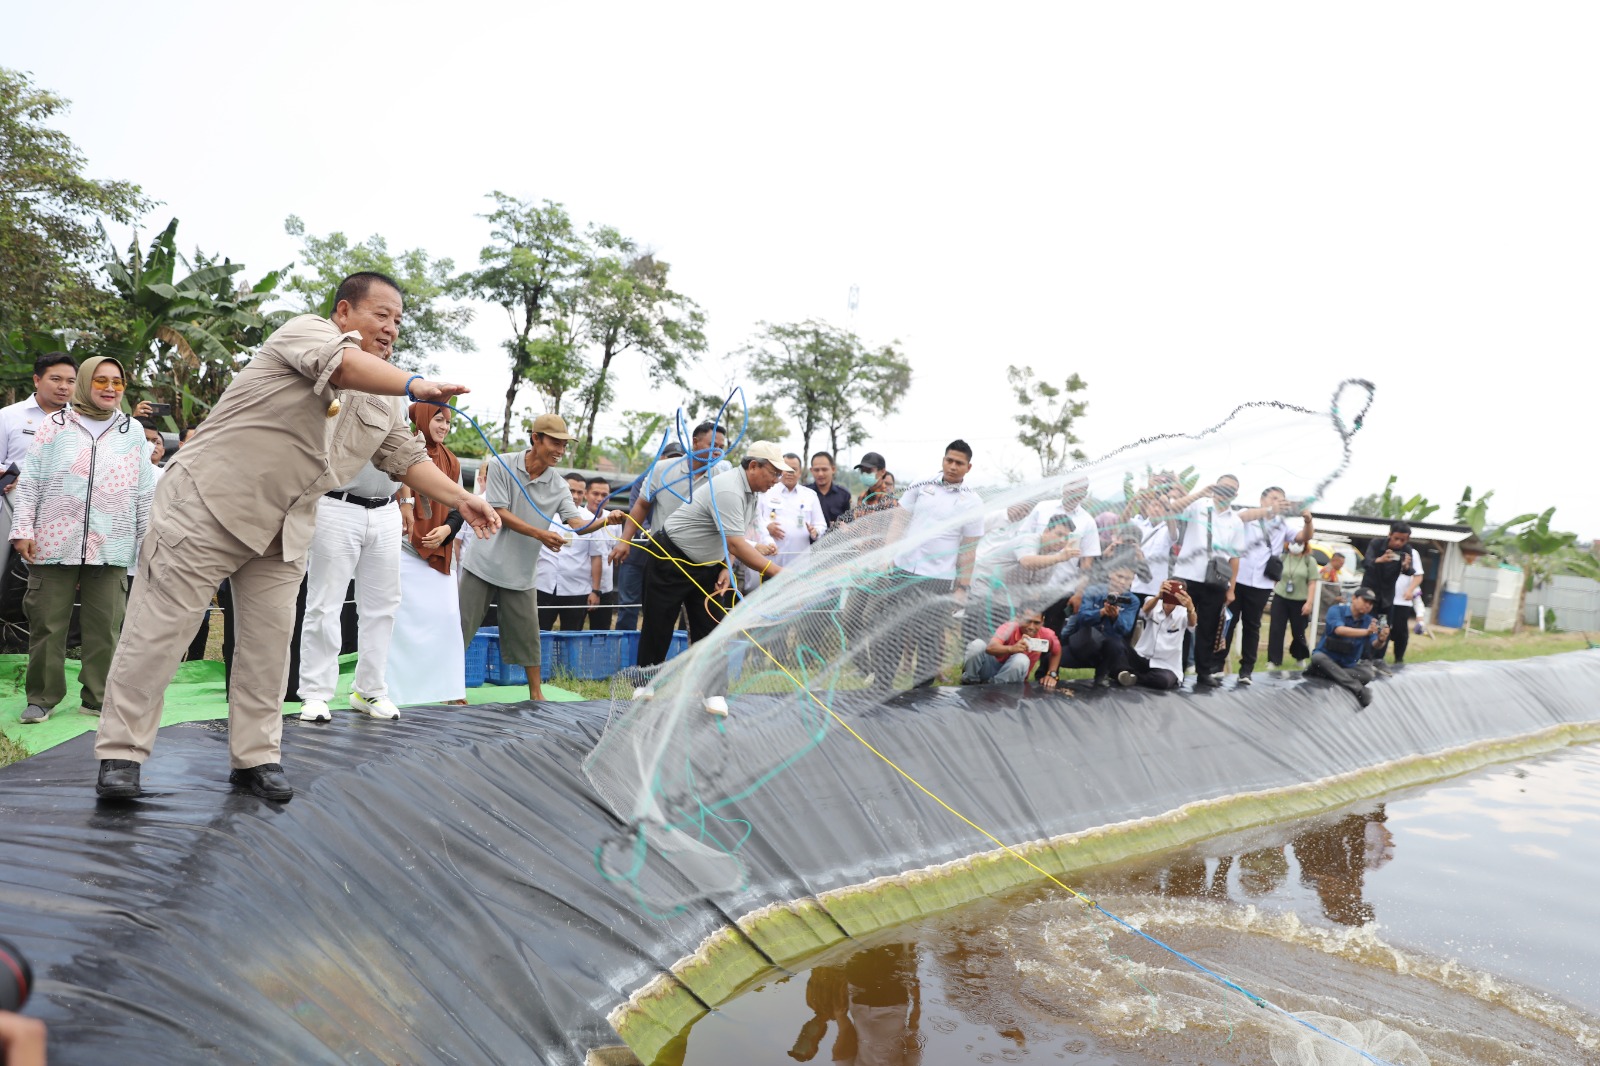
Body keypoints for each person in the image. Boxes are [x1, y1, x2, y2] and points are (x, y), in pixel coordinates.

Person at [92, 271, 501, 803]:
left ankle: (255, 759)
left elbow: (405, 456)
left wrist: (460, 497)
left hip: (285, 526)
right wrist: (413, 383)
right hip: (207, 505)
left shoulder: (385, 398)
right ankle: (121, 755)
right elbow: (344, 366)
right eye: (381, 315)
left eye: (399, 321)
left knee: (268, 647)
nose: (391, 328)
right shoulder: (304, 333)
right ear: (343, 313)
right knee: (158, 634)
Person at [11, 356, 156, 724]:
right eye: (101, 381)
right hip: (53, 539)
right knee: (47, 624)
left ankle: (98, 697)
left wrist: (147, 540)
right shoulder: (54, 425)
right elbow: (31, 481)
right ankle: (42, 697)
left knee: (106, 626)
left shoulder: (132, 431)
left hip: (112, 541)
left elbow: (142, 491)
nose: (110, 388)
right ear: (86, 383)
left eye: (118, 382)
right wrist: (23, 528)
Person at [459, 416, 627, 701]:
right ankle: (450, 689)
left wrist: (604, 521)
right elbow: (498, 511)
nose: (560, 450)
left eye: (564, 444)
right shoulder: (501, 465)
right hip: (483, 564)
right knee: (462, 629)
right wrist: (540, 534)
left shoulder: (559, 485)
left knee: (529, 635)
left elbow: (577, 524)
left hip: (522, 571)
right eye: (555, 442)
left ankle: (537, 694)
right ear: (535, 438)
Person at [636, 442, 788, 714]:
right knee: (659, 622)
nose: (776, 481)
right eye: (774, 473)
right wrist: (780, 574)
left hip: (709, 562)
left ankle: (713, 692)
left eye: (779, 475)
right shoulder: (729, 488)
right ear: (754, 466)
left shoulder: (752, 493)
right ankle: (645, 684)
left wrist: (725, 567)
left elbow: (733, 539)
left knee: (713, 627)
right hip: (671, 556)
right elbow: (737, 544)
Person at [295, 443, 411, 723]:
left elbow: (405, 452)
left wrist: (406, 500)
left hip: (387, 508)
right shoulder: (342, 395)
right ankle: (316, 694)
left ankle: (370, 690)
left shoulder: (403, 402)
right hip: (337, 503)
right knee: (325, 603)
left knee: (384, 606)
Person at [870, 442, 985, 687]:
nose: (953, 467)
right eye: (949, 461)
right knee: (892, 633)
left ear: (969, 467)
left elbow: (968, 549)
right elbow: (900, 520)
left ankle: (921, 696)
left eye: (959, 463)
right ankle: (881, 689)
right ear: (943, 460)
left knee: (929, 639)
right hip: (903, 571)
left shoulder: (972, 501)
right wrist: (888, 554)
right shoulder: (922, 484)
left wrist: (962, 588)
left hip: (938, 578)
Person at [385, 402, 467, 707]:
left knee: (446, 618)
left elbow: (460, 506)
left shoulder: (453, 462)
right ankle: (394, 690)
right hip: (405, 549)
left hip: (440, 553)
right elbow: (390, 492)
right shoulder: (401, 449)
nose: (444, 427)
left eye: (447, 422)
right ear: (420, 419)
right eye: (438, 419)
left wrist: (446, 531)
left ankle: (448, 690)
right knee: (400, 622)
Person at [1167, 475, 1245, 687]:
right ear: (1215, 486)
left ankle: (1204, 672)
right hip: (1187, 575)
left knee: (1208, 627)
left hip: (1216, 579)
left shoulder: (1236, 521)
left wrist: (1232, 588)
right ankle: (1177, 671)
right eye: (1223, 487)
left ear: (1236, 494)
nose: (1226, 492)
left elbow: (1235, 557)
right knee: (1179, 623)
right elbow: (1172, 509)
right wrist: (1202, 492)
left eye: (1231, 489)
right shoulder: (1199, 505)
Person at [1231, 489, 1313, 685]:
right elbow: (1240, 518)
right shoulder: (1249, 514)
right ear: (1262, 499)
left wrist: (1308, 520)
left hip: (1261, 583)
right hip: (1238, 578)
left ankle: (1246, 670)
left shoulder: (1282, 523)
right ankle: (1215, 667)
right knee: (1229, 622)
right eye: (1274, 498)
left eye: (1281, 500)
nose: (1278, 503)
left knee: (1253, 626)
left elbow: (1303, 537)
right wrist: (1269, 509)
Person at [613, 441, 681, 631]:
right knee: (628, 606)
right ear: (661, 459)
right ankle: (625, 655)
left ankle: (651, 656)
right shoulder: (645, 480)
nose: (673, 464)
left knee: (658, 608)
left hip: (666, 558)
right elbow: (637, 510)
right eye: (670, 459)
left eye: (679, 460)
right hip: (637, 554)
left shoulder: (685, 485)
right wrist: (651, 532)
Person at [536, 472, 601, 631]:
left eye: (580, 492)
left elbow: (596, 557)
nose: (575, 496)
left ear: (585, 494)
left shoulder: (591, 521)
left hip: (576, 589)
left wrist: (595, 591)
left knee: (571, 637)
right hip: (542, 585)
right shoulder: (544, 513)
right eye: (571, 491)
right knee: (538, 634)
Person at [1305, 586, 1386, 708]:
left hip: (1346, 667)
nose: (1368, 605)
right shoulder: (1336, 610)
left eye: (1371, 603)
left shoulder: (1370, 621)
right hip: (1327, 660)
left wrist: (1381, 639)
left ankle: (1325, 673)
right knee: (1318, 658)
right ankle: (1357, 688)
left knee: (1367, 674)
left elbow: (1375, 644)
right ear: (1354, 598)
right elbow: (1339, 630)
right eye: (1365, 601)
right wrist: (1366, 632)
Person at [1063, 563, 1141, 686]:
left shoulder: (1132, 600)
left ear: (1132, 580)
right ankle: (1046, 677)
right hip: (1085, 642)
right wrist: (1101, 612)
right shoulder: (1093, 591)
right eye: (1119, 576)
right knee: (1053, 656)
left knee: (1116, 645)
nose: (1122, 581)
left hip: (1109, 648)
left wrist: (1115, 617)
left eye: (1127, 579)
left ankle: (1101, 678)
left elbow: (1125, 629)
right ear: (1111, 574)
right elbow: (1082, 617)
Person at [961, 608, 1061, 689]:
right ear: (1019, 618)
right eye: (1027, 621)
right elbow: (990, 648)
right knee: (977, 645)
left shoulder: (1047, 635)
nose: (1031, 627)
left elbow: (1057, 651)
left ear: (1042, 622)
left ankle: (993, 688)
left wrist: (1052, 674)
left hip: (1011, 679)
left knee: (1021, 659)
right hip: (991, 669)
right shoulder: (1009, 628)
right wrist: (1012, 648)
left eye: (1036, 623)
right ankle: (969, 682)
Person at [1367, 523, 1423, 665]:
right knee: (1366, 625)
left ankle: (1378, 658)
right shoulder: (1376, 543)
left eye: (1403, 540)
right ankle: (1362, 656)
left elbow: (1410, 572)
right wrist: (1380, 560)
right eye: (1396, 538)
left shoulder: (1407, 550)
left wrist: (1405, 566)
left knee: (1383, 628)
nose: (1398, 543)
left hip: (1386, 598)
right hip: (1369, 594)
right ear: (1390, 535)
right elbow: (1366, 563)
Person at [1124, 579, 1195, 689]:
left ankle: (1134, 677)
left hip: (1166, 665)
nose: (1170, 598)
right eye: (1168, 591)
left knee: (1163, 681)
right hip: (1142, 657)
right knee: (1119, 647)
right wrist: (1158, 596)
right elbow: (1144, 611)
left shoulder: (1183, 612)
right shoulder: (1153, 602)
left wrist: (1191, 608)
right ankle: (1122, 673)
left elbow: (1192, 625)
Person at [759, 453, 825, 569]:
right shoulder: (766, 491)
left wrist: (815, 532)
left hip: (800, 562)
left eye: (793, 469)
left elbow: (821, 524)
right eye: (786, 469)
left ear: (800, 472)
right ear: (780, 470)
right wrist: (767, 526)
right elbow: (755, 521)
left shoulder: (810, 495)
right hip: (771, 560)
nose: (789, 473)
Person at [1267, 538, 1321, 669]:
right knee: (1276, 629)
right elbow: (1275, 576)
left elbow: (1312, 583)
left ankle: (1300, 656)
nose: (1296, 545)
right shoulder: (1283, 557)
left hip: (1300, 600)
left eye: (1300, 543)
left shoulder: (1310, 561)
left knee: (1299, 630)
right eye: (1294, 542)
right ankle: (1274, 660)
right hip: (1281, 597)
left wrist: (1309, 602)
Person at [583, 476, 617, 629]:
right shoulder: (574, 519)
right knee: (573, 628)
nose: (599, 499)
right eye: (595, 494)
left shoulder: (615, 520)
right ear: (586, 494)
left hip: (605, 585)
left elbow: (616, 548)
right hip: (579, 585)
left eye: (604, 495)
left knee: (601, 630)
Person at [807, 450, 852, 528]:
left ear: (833, 469)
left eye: (824, 469)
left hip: (836, 539)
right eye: (816, 470)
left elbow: (849, 523)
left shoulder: (844, 495)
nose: (820, 474)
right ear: (811, 470)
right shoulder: (805, 493)